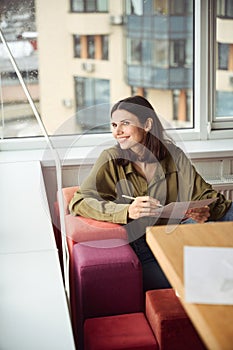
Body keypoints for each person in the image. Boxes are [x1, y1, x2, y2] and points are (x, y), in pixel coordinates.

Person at [69, 95, 233, 291]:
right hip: (144, 246)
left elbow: (205, 194)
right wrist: (127, 211)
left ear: (147, 124)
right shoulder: (110, 158)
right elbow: (79, 201)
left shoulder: (173, 154)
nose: (117, 132)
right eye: (113, 125)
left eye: (124, 124)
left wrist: (204, 209)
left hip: (179, 232)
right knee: (194, 281)